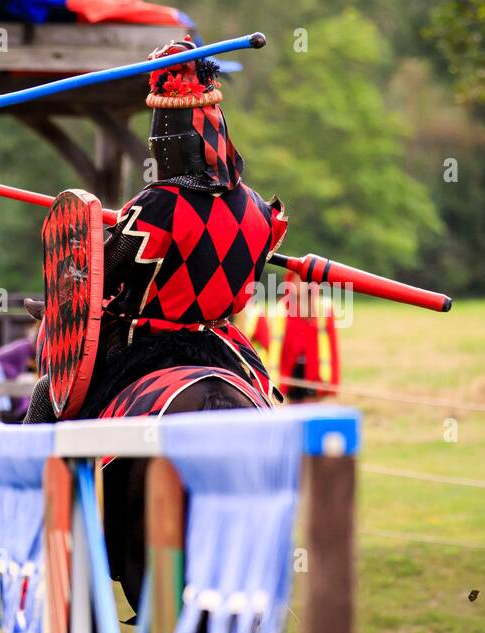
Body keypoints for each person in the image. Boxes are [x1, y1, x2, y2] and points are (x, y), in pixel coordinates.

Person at [23, 36, 287, 426]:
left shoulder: (159, 204)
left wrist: (62, 300)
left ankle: (31, 487)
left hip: (143, 344)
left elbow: (102, 280)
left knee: (48, 394)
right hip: (220, 347)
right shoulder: (261, 210)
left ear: (165, 143)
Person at [246, 270, 340, 403]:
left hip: (315, 371)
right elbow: (274, 341)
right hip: (291, 370)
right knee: (295, 411)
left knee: (311, 410)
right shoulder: (282, 308)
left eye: (304, 281)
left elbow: (331, 347)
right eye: (296, 280)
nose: (299, 285)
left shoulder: (323, 308)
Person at [0, 321, 38, 418]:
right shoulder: (24, 349)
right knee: (20, 383)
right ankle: (23, 408)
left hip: (12, 369)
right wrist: (17, 375)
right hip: (3, 365)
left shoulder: (32, 350)